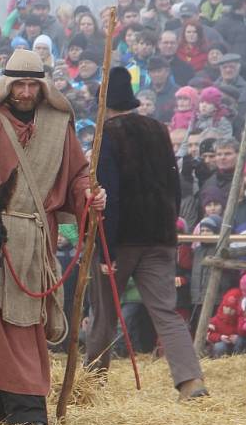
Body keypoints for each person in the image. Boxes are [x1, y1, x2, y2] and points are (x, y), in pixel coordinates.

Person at [0, 49, 105, 425]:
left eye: (34, 84)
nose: (27, 92)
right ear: (6, 85)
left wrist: (91, 195)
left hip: (38, 233)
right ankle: (26, 404)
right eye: (20, 84)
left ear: (43, 85)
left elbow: (79, 175)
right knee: (0, 318)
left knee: (28, 316)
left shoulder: (58, 123)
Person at [88, 67, 207, 400]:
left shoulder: (106, 135)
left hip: (121, 239)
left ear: (103, 102)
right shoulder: (158, 129)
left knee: (104, 314)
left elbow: (107, 195)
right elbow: (175, 186)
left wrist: (105, 250)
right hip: (160, 236)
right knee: (166, 312)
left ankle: (92, 384)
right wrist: (169, 226)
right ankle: (191, 381)